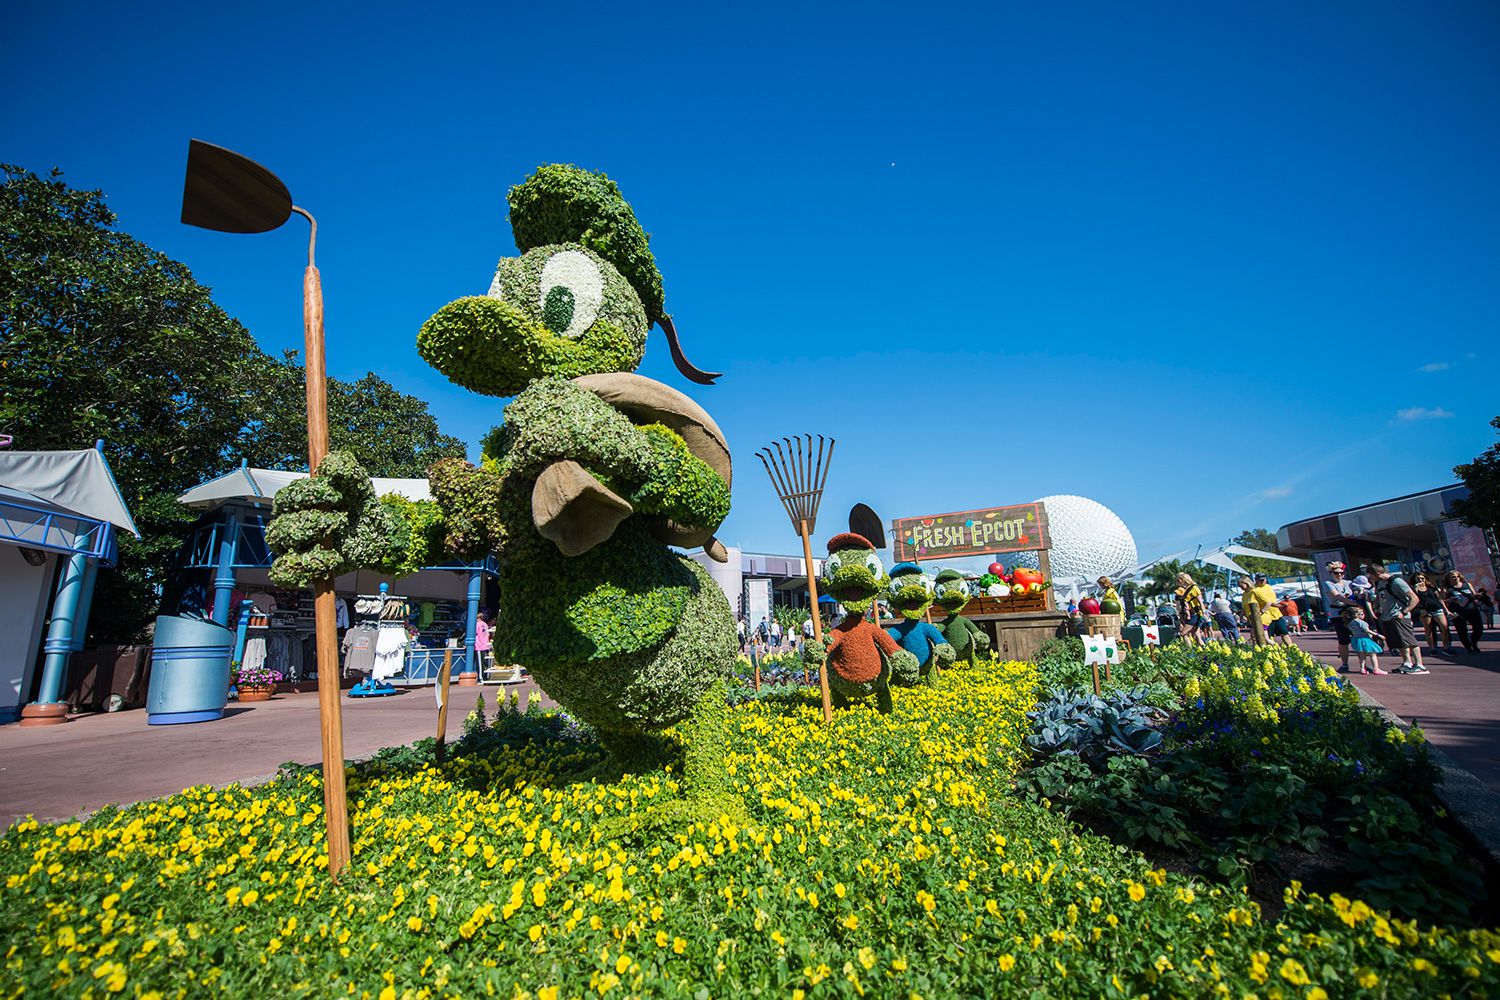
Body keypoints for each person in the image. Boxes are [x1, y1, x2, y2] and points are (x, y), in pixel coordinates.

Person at [1366, 563, 1427, 674]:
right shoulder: (1379, 583)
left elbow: (1414, 598)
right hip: (1387, 616)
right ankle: (1407, 663)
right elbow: (1380, 597)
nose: (1370, 579)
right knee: (1399, 642)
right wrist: (1376, 607)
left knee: (1409, 640)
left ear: (1377, 574)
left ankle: (1420, 665)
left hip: (1399, 616)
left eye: (1371, 576)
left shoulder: (1397, 582)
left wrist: (1403, 612)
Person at [1321, 562, 1356, 670]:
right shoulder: (1328, 583)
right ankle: (1345, 663)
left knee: (1359, 638)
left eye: (1342, 573)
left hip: (1352, 613)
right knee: (1343, 640)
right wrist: (1354, 603)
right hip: (1338, 614)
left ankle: (1363, 664)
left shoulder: (1349, 583)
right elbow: (1337, 596)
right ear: (1331, 573)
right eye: (1336, 573)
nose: (1339, 575)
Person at [1442, 570, 1485, 655]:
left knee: (1478, 628)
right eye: (1453, 577)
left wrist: (1477, 596)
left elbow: (1473, 595)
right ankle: (1469, 648)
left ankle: (1473, 642)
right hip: (1457, 612)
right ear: (1449, 578)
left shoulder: (1467, 585)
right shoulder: (1446, 588)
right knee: (1462, 631)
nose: (1456, 578)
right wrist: (1449, 600)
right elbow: (1442, 600)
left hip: (1472, 609)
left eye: (1457, 576)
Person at [1411, 573, 1452, 653]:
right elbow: (1414, 599)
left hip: (1437, 609)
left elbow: (1439, 599)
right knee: (1428, 629)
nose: (1420, 580)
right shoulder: (1414, 588)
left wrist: (1446, 610)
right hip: (1425, 611)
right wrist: (1416, 590)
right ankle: (1432, 648)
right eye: (1418, 579)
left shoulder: (1431, 587)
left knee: (1444, 627)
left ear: (1425, 579)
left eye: (1422, 578)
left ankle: (1446, 646)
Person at [1245, 573, 1290, 646]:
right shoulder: (1254, 590)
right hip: (1266, 616)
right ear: (1256, 580)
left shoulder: (1269, 587)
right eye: (1260, 580)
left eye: (1264, 580)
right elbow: (1266, 602)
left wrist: (1280, 606)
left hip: (1277, 614)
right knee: (1267, 637)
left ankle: (1292, 649)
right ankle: (1273, 652)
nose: (1262, 581)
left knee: (1284, 633)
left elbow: (1272, 600)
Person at [1344, 606, 1387, 674]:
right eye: (1361, 614)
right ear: (1356, 615)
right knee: (1372, 653)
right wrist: (1378, 635)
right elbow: (1367, 630)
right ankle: (1376, 668)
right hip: (1365, 639)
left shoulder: (1350, 623)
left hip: (1356, 639)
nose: (1363, 615)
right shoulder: (1362, 623)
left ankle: (1362, 668)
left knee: (1361, 655)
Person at [1174, 572, 1207, 645]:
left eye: (1179, 580)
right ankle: (1204, 652)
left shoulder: (1194, 588)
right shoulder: (1188, 589)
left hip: (1195, 614)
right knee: (1196, 636)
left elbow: (1200, 601)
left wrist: (1204, 613)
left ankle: (1190, 650)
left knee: (1183, 633)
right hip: (1192, 613)